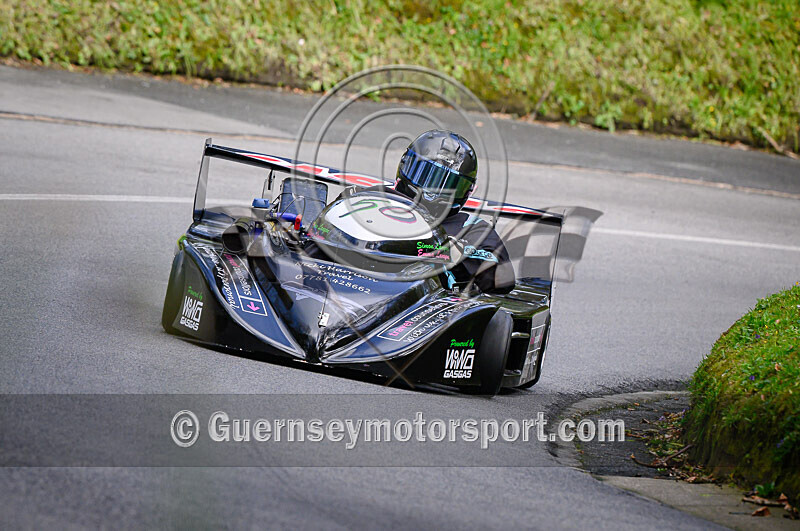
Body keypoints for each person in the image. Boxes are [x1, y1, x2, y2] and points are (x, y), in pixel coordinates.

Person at [394, 129, 515, 294]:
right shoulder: (375, 199)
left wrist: (451, 252)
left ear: (468, 191)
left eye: (447, 185)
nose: (430, 193)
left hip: (418, 305)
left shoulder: (472, 230)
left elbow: (503, 278)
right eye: (425, 175)